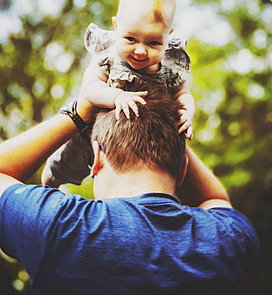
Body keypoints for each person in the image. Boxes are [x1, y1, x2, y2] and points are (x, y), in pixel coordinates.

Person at [0, 78, 259, 294]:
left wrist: (79, 113)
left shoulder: (57, 225)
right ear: (183, 169)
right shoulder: (230, 239)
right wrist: (171, 131)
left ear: (98, 158)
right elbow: (215, 198)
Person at [42, 0, 195, 188]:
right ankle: (50, 182)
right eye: (131, 39)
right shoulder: (109, 58)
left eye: (153, 43)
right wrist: (116, 96)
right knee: (67, 163)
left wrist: (187, 112)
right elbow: (91, 90)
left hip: (142, 136)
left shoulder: (170, 67)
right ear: (116, 26)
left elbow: (183, 94)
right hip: (97, 126)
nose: (141, 50)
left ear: (168, 36)